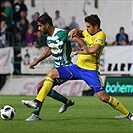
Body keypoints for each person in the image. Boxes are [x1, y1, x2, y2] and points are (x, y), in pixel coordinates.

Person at [22, 14, 133, 121]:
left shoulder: (100, 35)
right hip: (77, 68)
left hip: (90, 70)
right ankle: (37, 102)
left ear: (96, 26)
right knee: (51, 73)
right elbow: (81, 33)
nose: (87, 29)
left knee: (103, 97)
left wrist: (77, 51)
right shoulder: (88, 32)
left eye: (88, 27)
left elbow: (92, 50)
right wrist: (75, 30)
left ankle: (128, 115)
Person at [22, 14, 87, 121]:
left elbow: (76, 38)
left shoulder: (61, 33)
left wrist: (84, 47)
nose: (39, 28)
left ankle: (36, 114)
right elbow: (50, 50)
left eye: (40, 26)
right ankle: (66, 102)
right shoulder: (48, 36)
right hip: (56, 67)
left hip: (65, 68)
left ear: (47, 24)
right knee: (41, 87)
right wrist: (37, 61)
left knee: (40, 86)